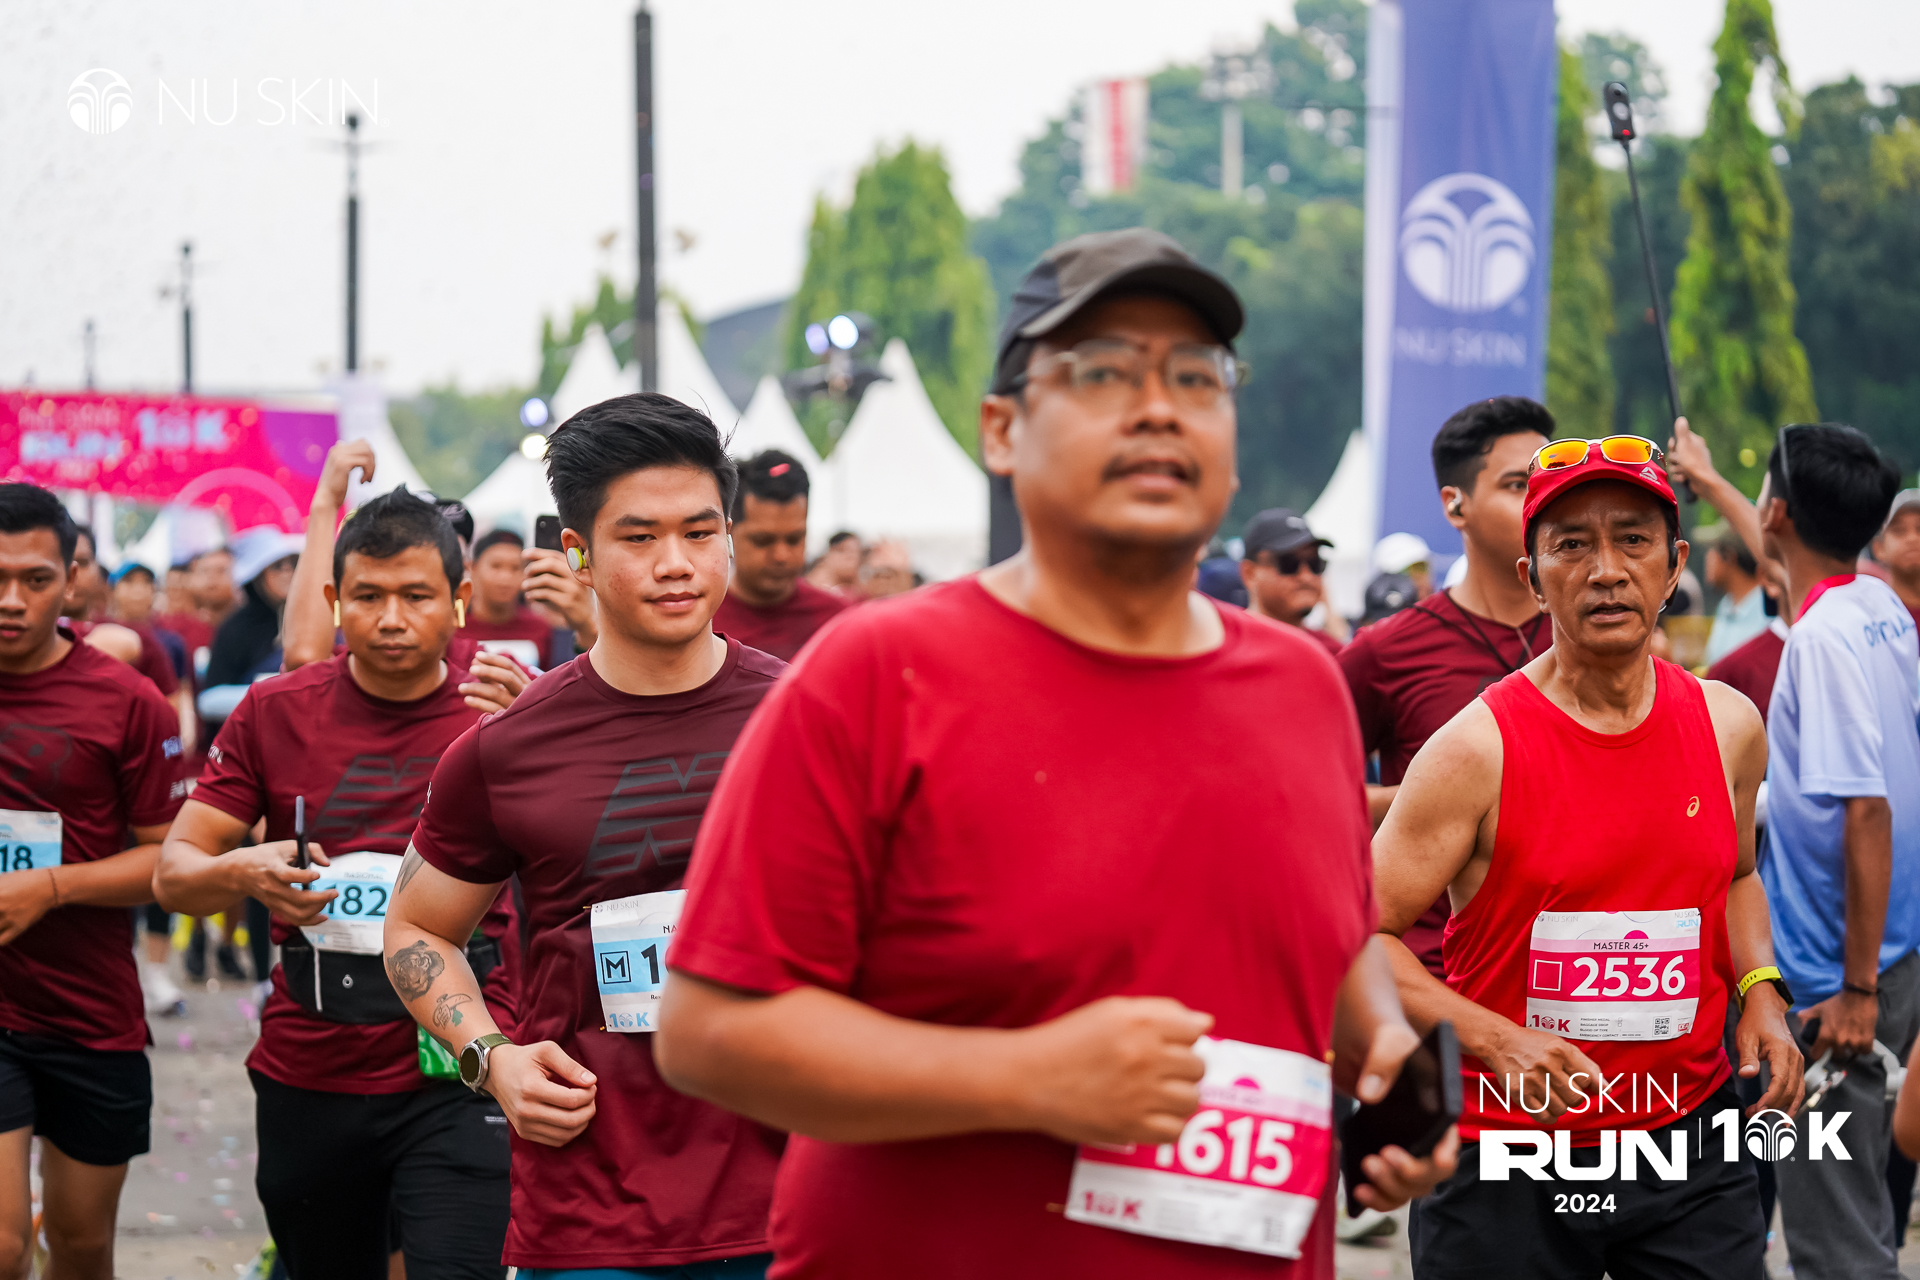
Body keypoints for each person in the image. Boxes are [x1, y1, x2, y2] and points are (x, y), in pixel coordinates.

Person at [652, 227, 1452, 1277]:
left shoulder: (1304, 686)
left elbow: (1330, 938)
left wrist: (1382, 1045)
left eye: (1196, 376)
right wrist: (1028, 1077)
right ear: (1001, 429)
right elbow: (708, 1031)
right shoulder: (879, 673)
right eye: (1103, 372)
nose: (1158, 407)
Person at [1372, 434, 1802, 1277]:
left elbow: (1738, 877)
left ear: (1674, 567)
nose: (1607, 570)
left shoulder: (1728, 727)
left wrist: (1760, 990)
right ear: (1534, 578)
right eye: (1572, 545)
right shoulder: (1476, 750)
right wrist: (1497, 1040)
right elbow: (1358, 936)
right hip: (1507, 1152)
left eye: (1633, 540)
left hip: (1686, 1136)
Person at [382, 394, 786, 1277]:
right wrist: (490, 1058)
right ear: (578, 553)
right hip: (592, 1203)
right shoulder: (505, 748)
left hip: (788, 1192)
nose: (675, 564)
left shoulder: (810, 715)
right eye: (639, 537)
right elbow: (417, 929)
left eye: (700, 532)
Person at [154, 487, 527, 1280]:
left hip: (463, 1064)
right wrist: (242, 870)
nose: (391, 619)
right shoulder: (275, 711)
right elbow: (175, 874)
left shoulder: (507, 706)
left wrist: (543, 740)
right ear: (333, 601)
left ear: (459, 600)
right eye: (368, 596)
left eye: (416, 596)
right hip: (314, 1069)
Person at [1744, 424, 1918, 1280]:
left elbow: (1867, 812)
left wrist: (1854, 991)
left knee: (1834, 1239)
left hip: (1836, 978)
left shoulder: (1820, 640)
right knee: (1863, 1209)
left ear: (1778, 511)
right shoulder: (1876, 606)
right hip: (1892, 952)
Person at [0, 483, 187, 1280]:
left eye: (35, 579)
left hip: (87, 1011)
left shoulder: (128, 703)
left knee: (80, 1249)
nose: (12, 600)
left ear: (73, 579)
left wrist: (49, 888)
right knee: (4, 1246)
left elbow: (168, 861)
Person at [1337, 398, 1554, 980]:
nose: (1541, 501)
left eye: (1548, 481)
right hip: (1436, 978)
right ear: (1455, 504)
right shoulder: (1385, 652)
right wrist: (1435, 798)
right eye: (1517, 484)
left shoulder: (1599, 637)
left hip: (1581, 976)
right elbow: (1303, 793)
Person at [712, 449, 852, 661]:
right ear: (728, 531)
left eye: (794, 539)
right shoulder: (702, 622)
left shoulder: (838, 621)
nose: (781, 555)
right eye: (763, 540)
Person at [204, 525, 302, 691]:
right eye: (277, 565)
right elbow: (212, 694)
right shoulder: (235, 629)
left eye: (293, 563)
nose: (287, 571)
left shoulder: (308, 620)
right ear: (258, 576)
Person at [1237, 507, 1340, 653]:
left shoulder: (1332, 654)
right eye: (1289, 563)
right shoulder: (1224, 649)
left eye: (1315, 564)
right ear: (1250, 573)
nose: (1306, 576)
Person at [464, 529, 563, 672]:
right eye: (496, 566)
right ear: (473, 568)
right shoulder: (454, 627)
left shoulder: (539, 628)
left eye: (515, 568)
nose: (505, 578)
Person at [1703, 526, 1769, 664]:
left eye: (1711, 550)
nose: (1707, 558)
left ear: (1729, 556)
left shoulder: (1768, 610)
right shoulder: (1726, 605)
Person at [1872, 488, 1920, 629]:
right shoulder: (1872, 617)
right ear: (1879, 548)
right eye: (1899, 530)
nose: (1912, 538)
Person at [804, 529, 862, 596]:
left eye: (855, 552)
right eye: (842, 550)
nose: (850, 557)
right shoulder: (813, 587)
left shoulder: (861, 589)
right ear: (829, 553)